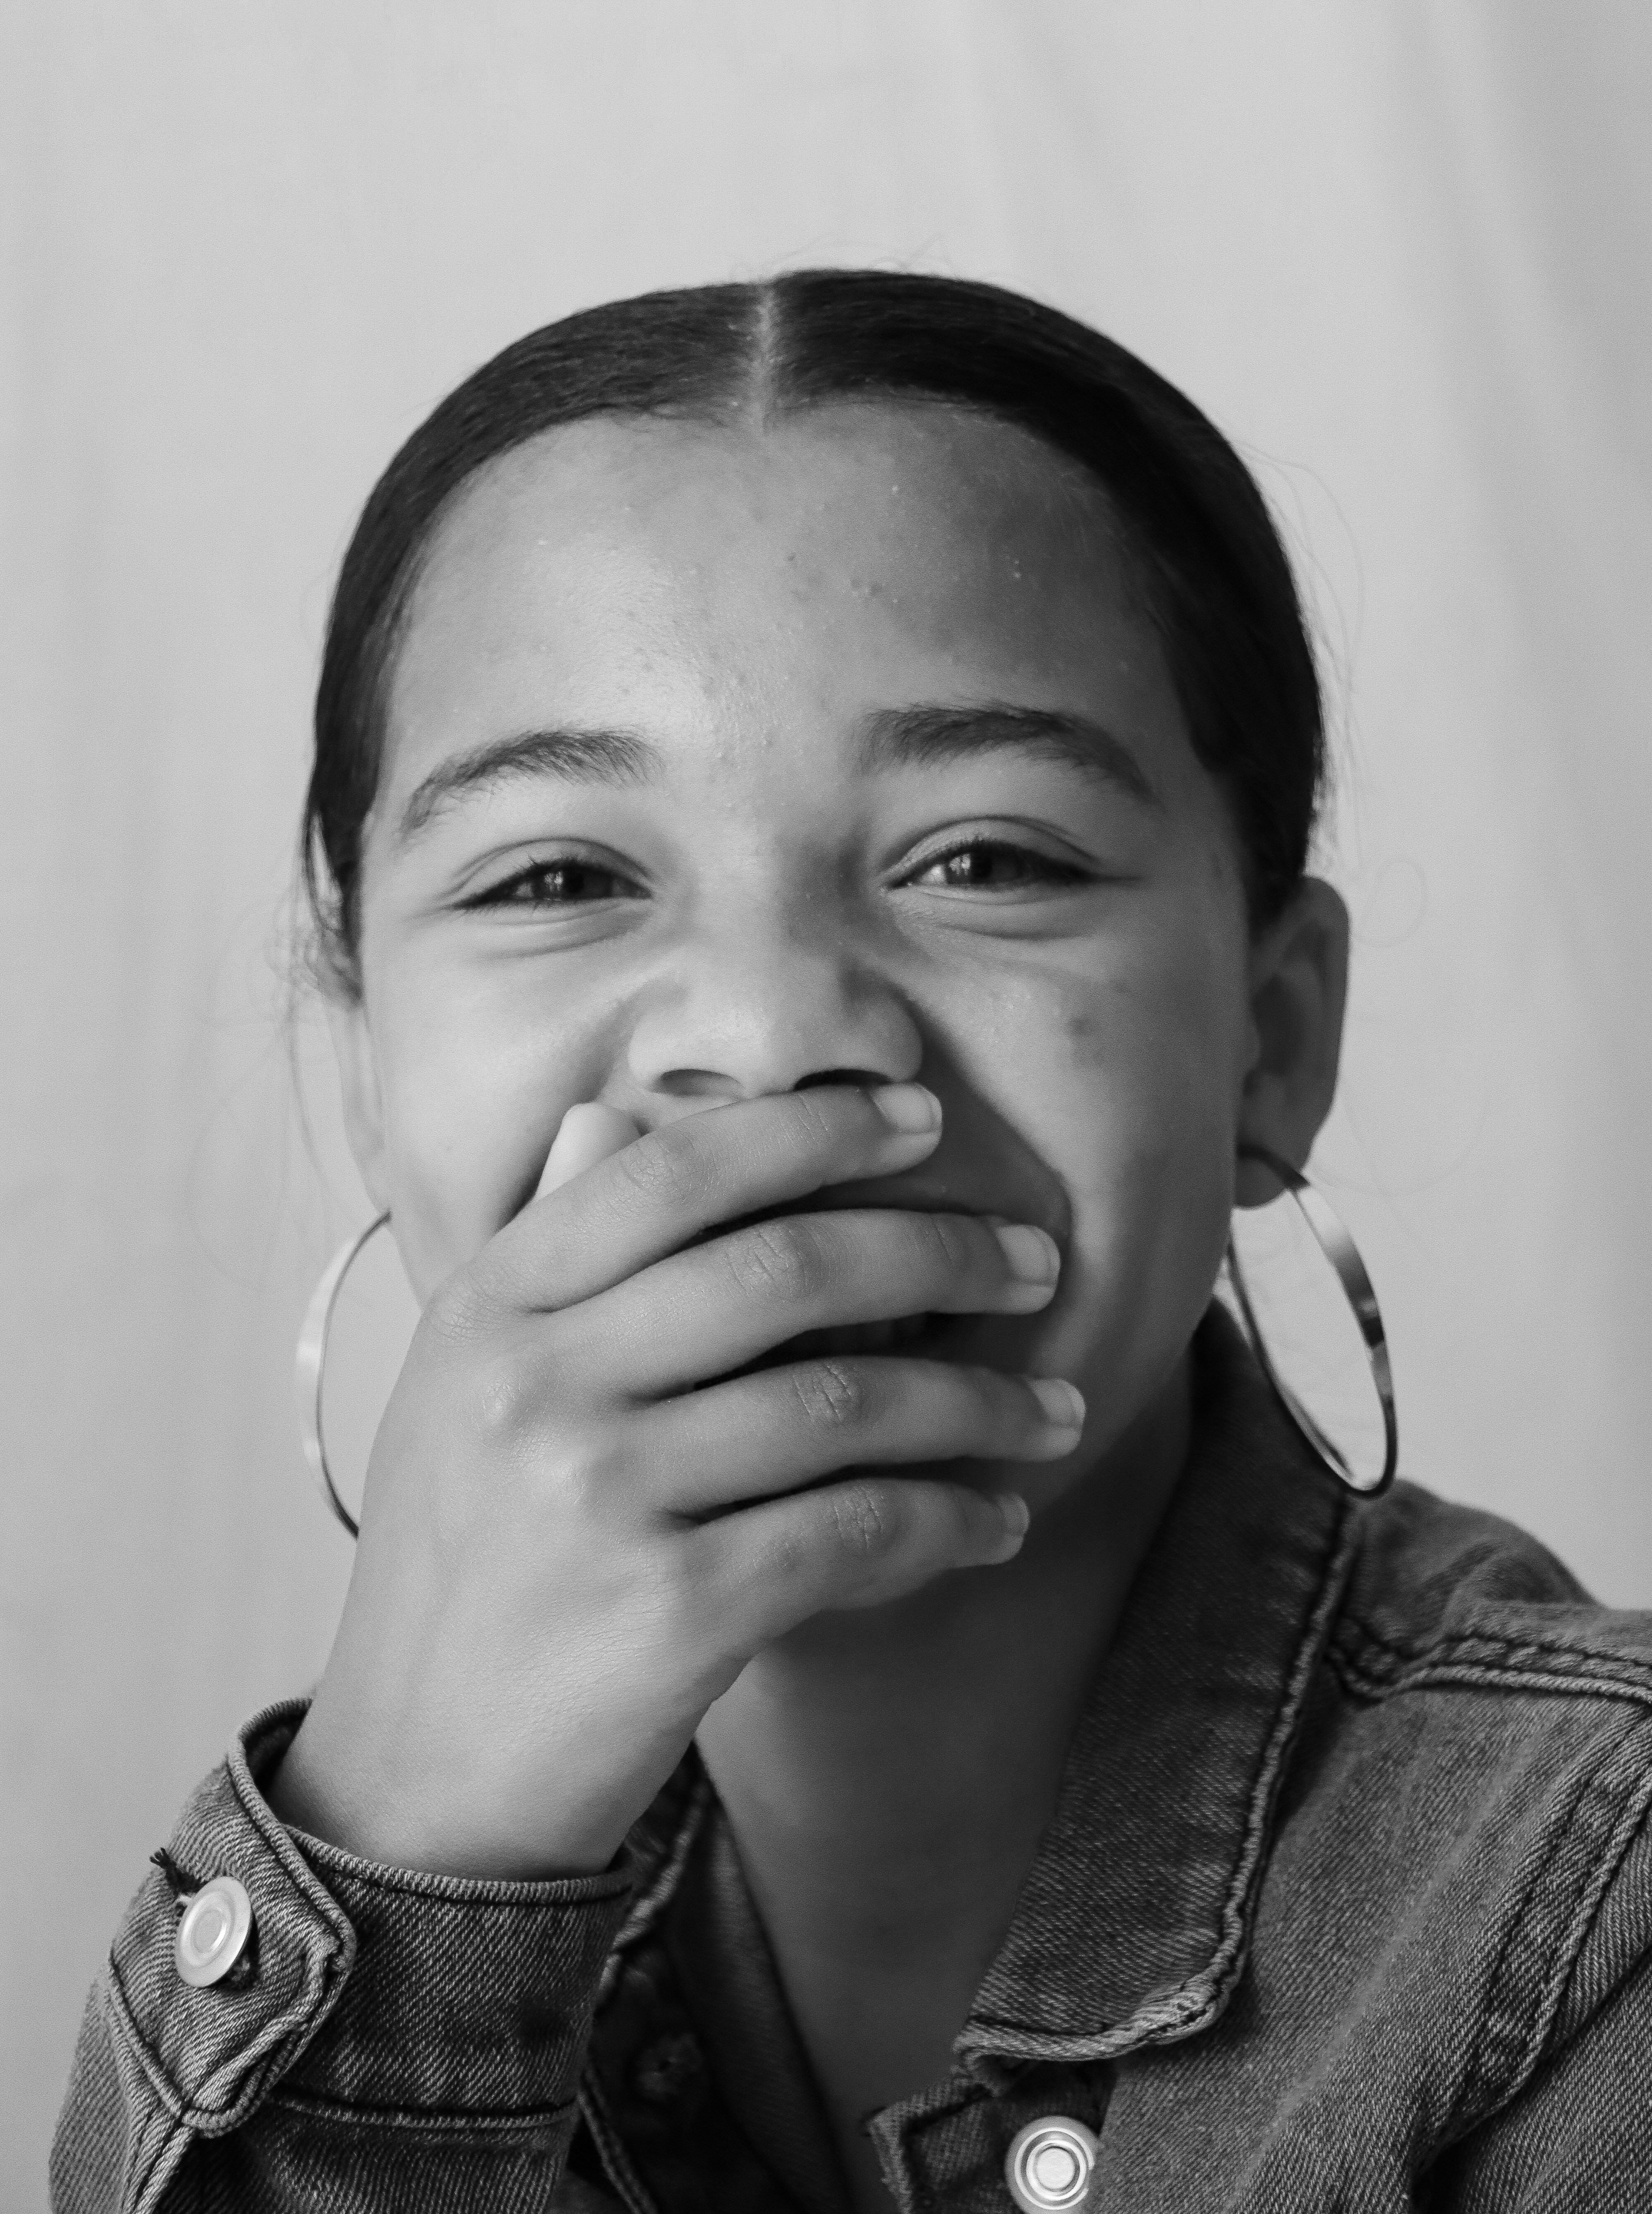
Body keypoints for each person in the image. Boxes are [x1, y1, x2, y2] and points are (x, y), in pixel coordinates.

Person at [51, 272, 1652, 2214]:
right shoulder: (311, 1879)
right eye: (559, 873)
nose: (770, 1025)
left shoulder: (1599, 1910)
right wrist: (400, 1857)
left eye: (983, 857)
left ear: (1275, 1035)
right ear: (365, 1066)